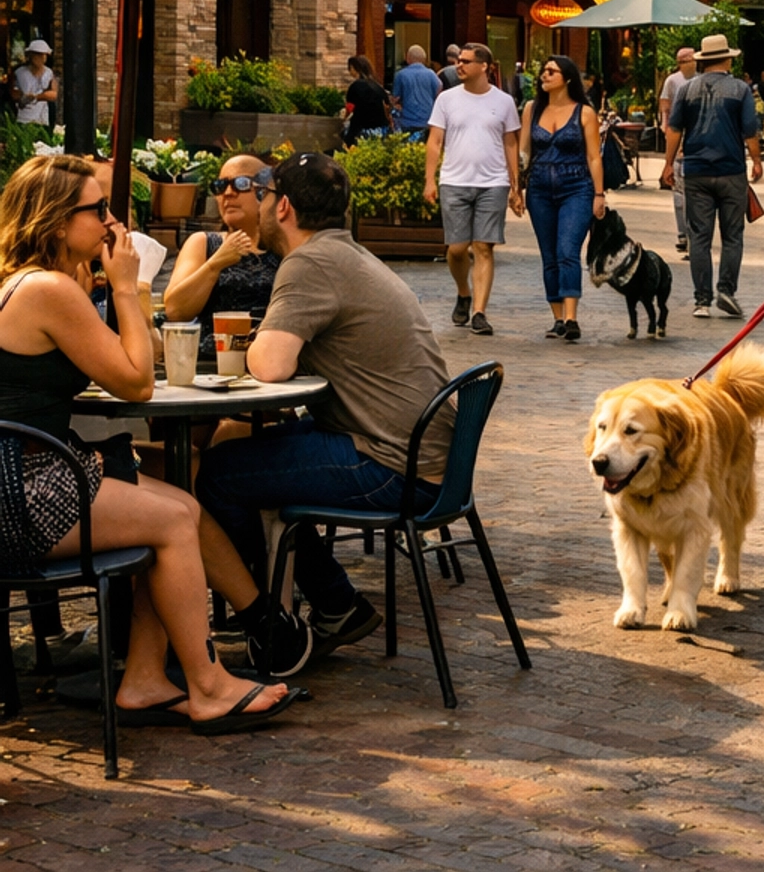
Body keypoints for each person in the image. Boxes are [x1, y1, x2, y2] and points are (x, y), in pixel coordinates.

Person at [0, 154, 297, 728]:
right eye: (99, 210)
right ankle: (208, 685)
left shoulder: (30, 284)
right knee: (171, 521)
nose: (113, 224)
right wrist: (127, 288)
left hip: (29, 472)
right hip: (21, 490)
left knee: (178, 500)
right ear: (59, 221)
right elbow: (137, 382)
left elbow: (138, 361)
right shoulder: (49, 291)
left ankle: (144, 678)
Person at [198, 151, 452, 670]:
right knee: (233, 451)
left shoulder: (309, 264)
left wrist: (249, 342)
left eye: (265, 194)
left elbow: (269, 366)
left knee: (218, 477)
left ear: (283, 206)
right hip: (424, 455)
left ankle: (271, 623)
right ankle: (337, 605)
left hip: (393, 466)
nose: (261, 204)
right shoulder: (344, 252)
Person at [423, 42, 523, 335]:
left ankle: (479, 312)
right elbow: (435, 141)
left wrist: (516, 185)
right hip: (454, 181)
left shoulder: (503, 102)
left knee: (483, 247)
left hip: (493, 183)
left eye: (466, 61)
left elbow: (510, 142)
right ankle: (463, 293)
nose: (459, 65)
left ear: (484, 67)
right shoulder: (447, 99)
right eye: (459, 60)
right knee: (456, 249)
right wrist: (430, 179)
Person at [661, 33, 763, 319]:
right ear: (728, 58)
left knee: (699, 238)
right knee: (732, 237)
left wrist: (668, 164)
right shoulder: (740, 89)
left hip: (695, 172)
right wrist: (755, 160)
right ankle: (726, 292)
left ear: (703, 60)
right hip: (731, 171)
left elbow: (675, 130)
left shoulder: (686, 90)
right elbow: (750, 130)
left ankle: (701, 301)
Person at [163, 154, 280, 368]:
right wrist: (215, 264)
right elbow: (174, 310)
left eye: (240, 184)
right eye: (220, 185)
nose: (228, 193)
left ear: (265, 191)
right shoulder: (204, 243)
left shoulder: (284, 247)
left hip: (270, 362)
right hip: (212, 365)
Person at [519, 55, 605, 342]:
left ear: (566, 78)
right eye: (543, 70)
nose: (544, 75)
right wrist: (515, 188)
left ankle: (571, 317)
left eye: (551, 71)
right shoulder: (532, 109)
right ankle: (557, 318)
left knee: (567, 249)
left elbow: (594, 156)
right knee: (549, 254)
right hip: (540, 187)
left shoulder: (584, 113)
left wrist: (598, 194)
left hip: (576, 186)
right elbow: (524, 153)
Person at [657, 46, 697, 257]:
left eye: (688, 60)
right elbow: (665, 106)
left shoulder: (701, 79)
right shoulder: (673, 81)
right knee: (679, 191)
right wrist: (665, 128)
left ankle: (691, 235)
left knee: (688, 192)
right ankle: (684, 233)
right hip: (677, 137)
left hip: (693, 142)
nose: (685, 63)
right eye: (682, 61)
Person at [391, 44, 440, 138]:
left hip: (407, 121)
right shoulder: (432, 74)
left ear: (407, 58)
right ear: (424, 59)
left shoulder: (401, 75)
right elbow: (438, 91)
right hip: (427, 121)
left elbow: (395, 98)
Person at [341, 54, 391, 146]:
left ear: (355, 68)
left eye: (350, 68)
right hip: (380, 130)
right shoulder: (378, 86)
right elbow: (387, 107)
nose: (349, 71)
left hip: (361, 129)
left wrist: (343, 119)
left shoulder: (355, 86)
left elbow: (349, 108)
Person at [10, 40, 57, 128]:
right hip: (24, 118)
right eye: (38, 55)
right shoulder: (19, 73)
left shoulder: (49, 73)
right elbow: (13, 93)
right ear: (31, 56)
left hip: (42, 119)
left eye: (44, 55)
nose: (42, 58)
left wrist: (36, 97)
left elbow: (54, 94)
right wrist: (23, 97)